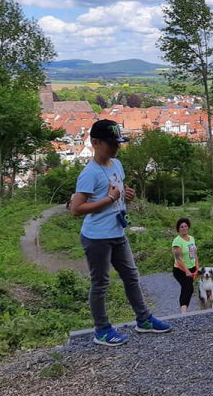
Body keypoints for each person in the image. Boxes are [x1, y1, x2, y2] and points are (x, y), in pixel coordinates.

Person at [71, 119, 172, 346]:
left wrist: (126, 195)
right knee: (101, 284)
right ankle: (102, 330)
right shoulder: (89, 173)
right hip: (97, 237)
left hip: (117, 232)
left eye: (118, 143)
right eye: (111, 144)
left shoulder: (116, 164)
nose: (116, 148)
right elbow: (76, 209)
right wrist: (109, 199)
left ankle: (144, 319)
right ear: (95, 143)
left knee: (132, 276)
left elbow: (117, 192)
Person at [172, 217, 199, 314]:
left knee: (188, 288)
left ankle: (184, 311)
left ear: (188, 227)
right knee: (188, 288)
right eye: (181, 227)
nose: (184, 228)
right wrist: (187, 271)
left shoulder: (191, 238)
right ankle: (184, 312)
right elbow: (178, 258)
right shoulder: (177, 241)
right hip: (180, 270)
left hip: (192, 268)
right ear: (178, 229)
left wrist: (197, 267)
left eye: (185, 226)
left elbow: (194, 253)